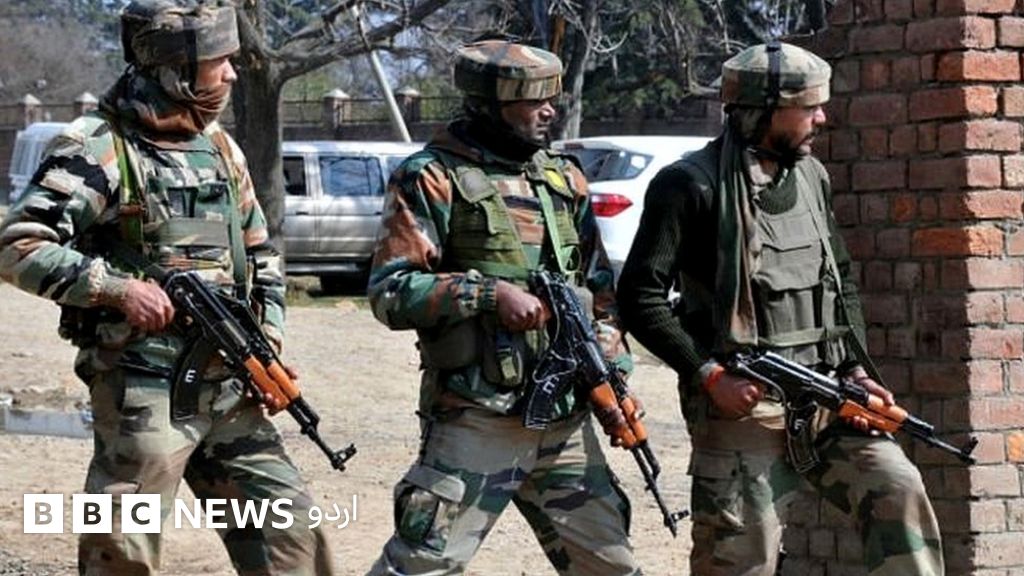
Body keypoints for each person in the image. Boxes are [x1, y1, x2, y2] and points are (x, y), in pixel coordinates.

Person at [0, 1, 332, 574]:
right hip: (143, 390)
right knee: (121, 549)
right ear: (177, 70)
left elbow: (261, 257)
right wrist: (116, 290)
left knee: (293, 538)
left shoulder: (220, 148)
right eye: (219, 61)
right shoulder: (100, 145)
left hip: (230, 390)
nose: (232, 74)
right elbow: (18, 246)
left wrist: (267, 343)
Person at [617, 42, 944, 575]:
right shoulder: (689, 185)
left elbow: (840, 280)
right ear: (764, 111)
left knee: (898, 488)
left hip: (826, 395)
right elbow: (639, 296)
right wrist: (708, 374)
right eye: (809, 106)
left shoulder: (811, 177)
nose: (822, 117)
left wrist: (856, 369)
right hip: (742, 406)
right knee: (742, 559)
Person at [365, 39, 641, 575]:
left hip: (565, 421)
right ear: (489, 105)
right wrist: (488, 295)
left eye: (551, 99)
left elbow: (600, 294)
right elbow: (391, 291)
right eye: (533, 100)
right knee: (420, 566)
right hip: (478, 416)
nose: (549, 111)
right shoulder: (432, 176)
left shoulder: (562, 178)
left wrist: (613, 371)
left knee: (613, 566)